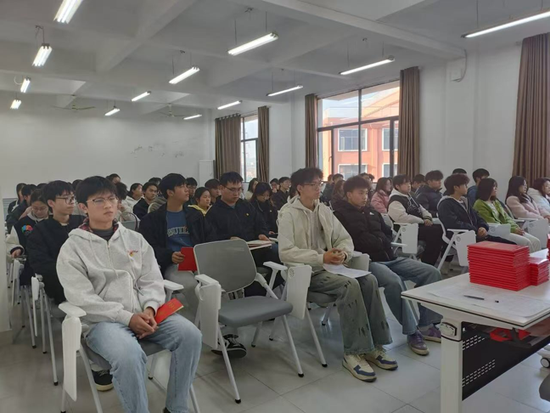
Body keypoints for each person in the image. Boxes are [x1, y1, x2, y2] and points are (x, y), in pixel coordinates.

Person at [57, 176, 202, 413]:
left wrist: (150, 308)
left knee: (191, 335)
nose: (108, 205)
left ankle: (176, 407)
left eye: (112, 198)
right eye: (99, 200)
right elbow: (82, 298)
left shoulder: (134, 239)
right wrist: (127, 318)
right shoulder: (72, 248)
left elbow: (151, 279)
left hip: (144, 313)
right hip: (102, 322)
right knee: (129, 355)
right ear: (83, 207)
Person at [278, 168, 395, 381]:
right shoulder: (288, 214)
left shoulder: (323, 210)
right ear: (299, 188)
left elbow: (344, 238)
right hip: (305, 273)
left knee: (369, 279)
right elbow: (285, 252)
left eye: (319, 183)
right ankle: (353, 352)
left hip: (330, 268)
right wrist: (320, 257)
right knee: (350, 285)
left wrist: (343, 253)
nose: (318, 188)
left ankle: (374, 346)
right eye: (313, 184)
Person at [333, 177, 442, 356]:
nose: (365, 197)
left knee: (431, 272)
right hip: (367, 262)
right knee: (394, 281)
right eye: (360, 193)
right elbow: (350, 242)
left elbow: (387, 233)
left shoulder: (372, 212)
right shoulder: (340, 215)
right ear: (349, 194)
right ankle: (412, 331)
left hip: (390, 257)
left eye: (366, 193)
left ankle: (427, 325)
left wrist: (382, 241)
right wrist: (377, 242)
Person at [140, 174, 215, 320]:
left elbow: (210, 237)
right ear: (170, 192)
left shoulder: (195, 215)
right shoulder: (153, 220)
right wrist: (169, 255)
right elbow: (148, 248)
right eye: (181, 186)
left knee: (216, 282)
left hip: (198, 261)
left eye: (187, 186)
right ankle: (206, 322)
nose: (187, 190)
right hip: (173, 264)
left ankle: (216, 318)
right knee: (190, 285)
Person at [27, 181, 85, 305]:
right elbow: (40, 262)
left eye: (72, 198)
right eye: (65, 198)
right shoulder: (40, 230)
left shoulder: (83, 223)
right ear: (51, 203)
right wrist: (70, 271)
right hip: (62, 283)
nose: (71, 202)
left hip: (90, 277)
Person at [438, 174, 516, 244]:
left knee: (511, 244)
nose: (467, 187)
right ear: (456, 187)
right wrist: (476, 229)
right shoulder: (445, 204)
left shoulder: (465, 201)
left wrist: (482, 227)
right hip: (461, 237)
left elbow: (478, 217)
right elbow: (454, 224)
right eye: (465, 185)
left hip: (475, 234)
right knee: (504, 247)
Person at [388, 175, 444, 266]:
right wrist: (422, 221)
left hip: (418, 226)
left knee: (440, 229)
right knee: (435, 232)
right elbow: (403, 218)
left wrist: (427, 218)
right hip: (406, 229)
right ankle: (427, 263)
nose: (409, 185)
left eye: (409, 183)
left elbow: (423, 210)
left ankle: (428, 261)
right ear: (397, 186)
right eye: (405, 183)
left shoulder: (411, 196)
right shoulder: (395, 200)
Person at [473, 178, 541, 252]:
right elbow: (491, 222)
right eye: (494, 187)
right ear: (487, 188)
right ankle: (527, 259)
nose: (496, 189)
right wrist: (512, 230)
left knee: (536, 241)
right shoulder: (479, 204)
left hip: (508, 229)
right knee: (526, 243)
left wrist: (515, 227)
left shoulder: (495, 202)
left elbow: (506, 217)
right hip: (497, 232)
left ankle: (534, 259)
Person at [7, 190, 49, 287]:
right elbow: (11, 242)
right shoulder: (22, 224)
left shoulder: (54, 221)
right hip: (31, 263)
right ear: (30, 206)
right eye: (35, 208)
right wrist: (17, 248)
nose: (38, 211)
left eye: (42, 208)